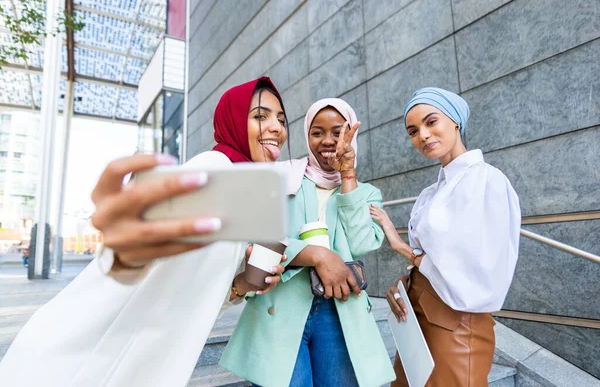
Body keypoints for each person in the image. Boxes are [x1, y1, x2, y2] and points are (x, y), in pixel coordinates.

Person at [0, 77, 289, 387]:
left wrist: (241, 286)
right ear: (231, 121)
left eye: (281, 120)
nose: (276, 128)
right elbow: (146, 243)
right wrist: (127, 248)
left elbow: (188, 295)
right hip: (74, 364)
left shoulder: (242, 194)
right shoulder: (215, 166)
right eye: (260, 116)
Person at [220, 98, 396, 387]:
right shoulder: (285, 177)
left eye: (337, 132)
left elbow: (361, 243)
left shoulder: (365, 193)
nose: (327, 141)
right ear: (306, 135)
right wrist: (316, 255)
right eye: (317, 132)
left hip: (340, 308)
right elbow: (262, 236)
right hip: (281, 303)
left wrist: (347, 174)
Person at [370, 87, 521, 387]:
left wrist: (404, 250)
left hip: (456, 324)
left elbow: (481, 270)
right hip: (415, 316)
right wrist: (406, 283)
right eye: (413, 131)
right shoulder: (432, 193)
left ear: (455, 122)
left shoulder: (487, 181)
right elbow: (436, 259)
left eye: (431, 122)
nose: (423, 135)